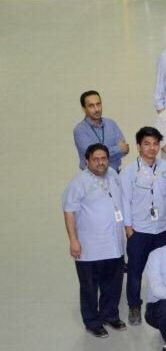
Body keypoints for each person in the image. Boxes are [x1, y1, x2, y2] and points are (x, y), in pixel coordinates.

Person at [62, 144, 127, 338]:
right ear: (86, 161)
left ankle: (110, 315)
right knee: (90, 288)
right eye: (96, 159)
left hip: (114, 245)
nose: (101, 163)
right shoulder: (78, 183)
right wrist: (73, 240)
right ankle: (92, 321)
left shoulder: (113, 175)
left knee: (113, 284)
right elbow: (69, 212)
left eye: (104, 158)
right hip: (90, 248)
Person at [120, 127, 166, 326]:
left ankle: (162, 303)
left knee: (164, 269)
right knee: (135, 271)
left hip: (163, 228)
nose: (152, 148)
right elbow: (125, 201)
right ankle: (134, 306)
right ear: (138, 146)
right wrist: (128, 227)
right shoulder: (128, 172)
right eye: (147, 144)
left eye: (155, 144)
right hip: (139, 230)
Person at [73, 91, 129, 171]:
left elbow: (125, 149)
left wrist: (118, 150)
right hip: (91, 176)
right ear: (84, 109)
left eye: (98, 104)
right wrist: (117, 149)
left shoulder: (111, 124)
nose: (96, 109)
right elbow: (93, 156)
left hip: (114, 174)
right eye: (91, 106)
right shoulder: (80, 130)